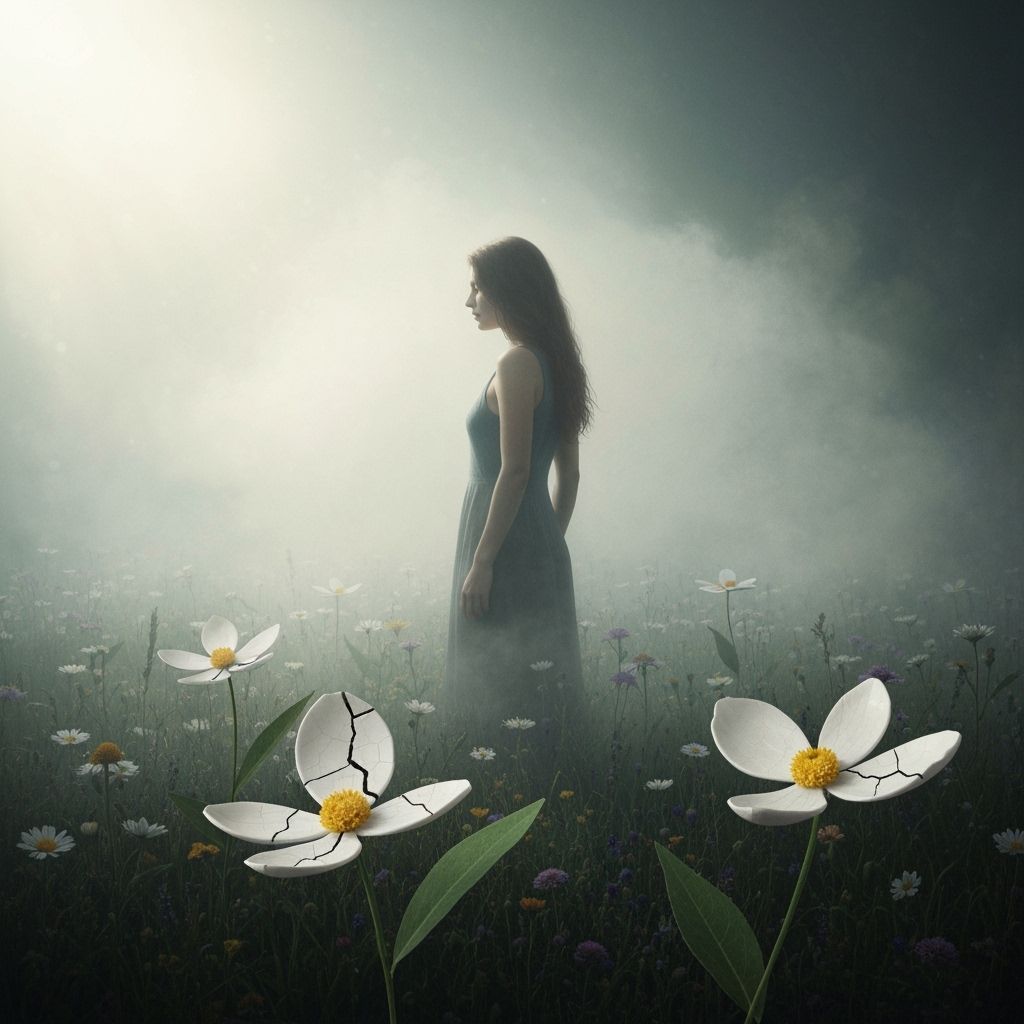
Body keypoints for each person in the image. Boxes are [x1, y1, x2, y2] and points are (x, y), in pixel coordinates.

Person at [444, 236, 594, 770]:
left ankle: (492, 779)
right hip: (536, 534)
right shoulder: (558, 361)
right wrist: (546, 540)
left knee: (495, 673)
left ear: (507, 291)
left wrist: (485, 560)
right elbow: (569, 474)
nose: (470, 301)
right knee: (539, 672)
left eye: (477, 288)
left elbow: (514, 470)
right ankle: (553, 779)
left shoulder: (516, 363)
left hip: (497, 533)